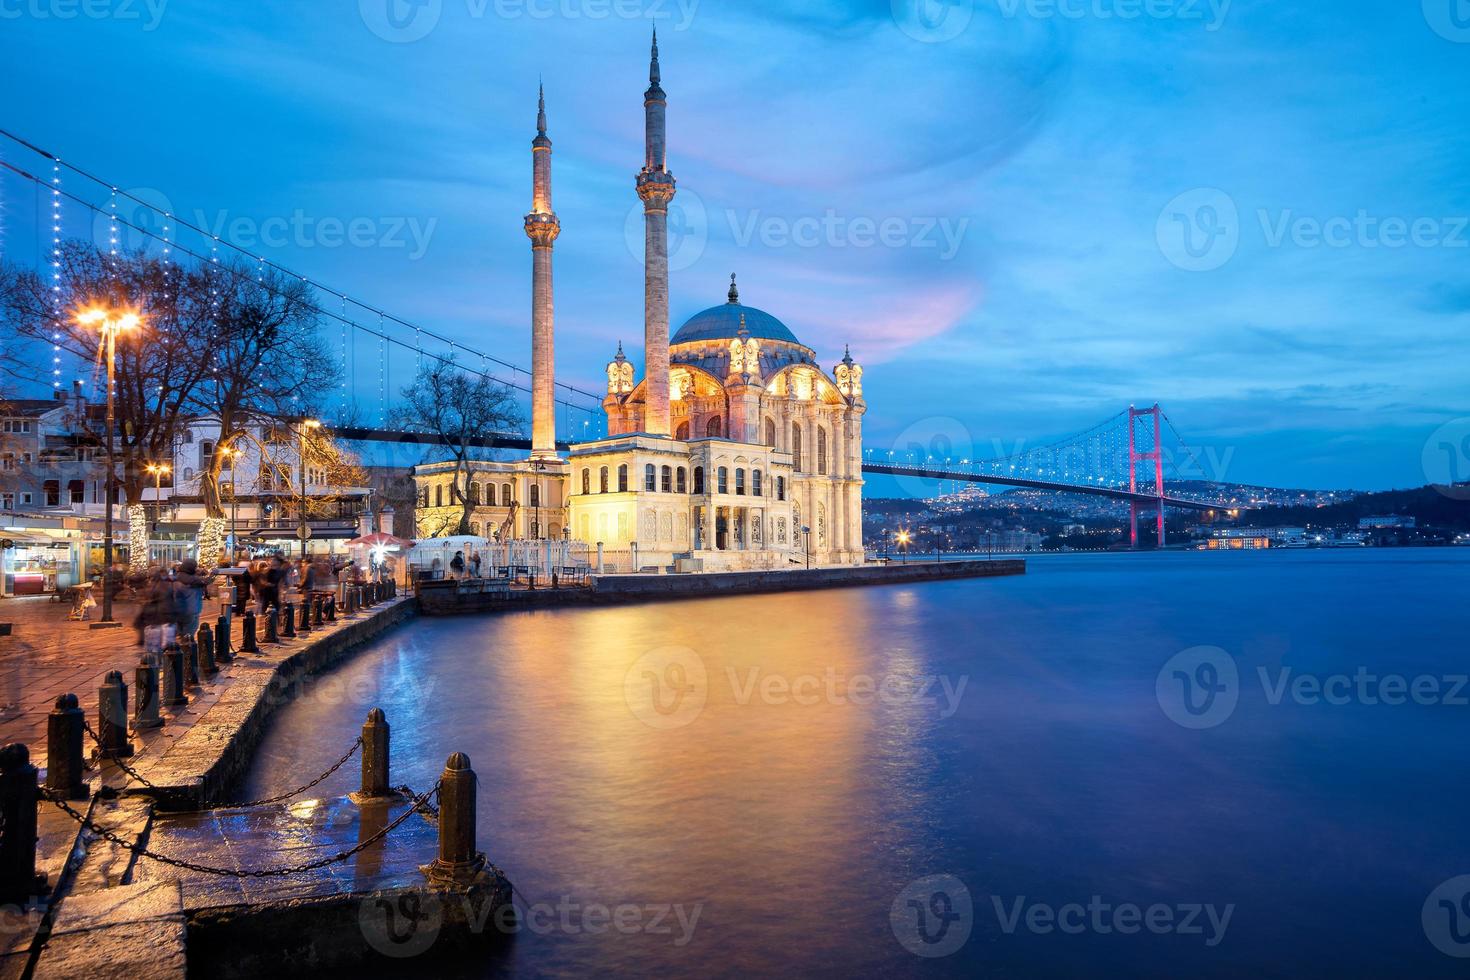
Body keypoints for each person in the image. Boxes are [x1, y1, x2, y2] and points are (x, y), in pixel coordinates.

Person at [173, 558, 208, 641]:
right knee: (188, 636)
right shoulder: (194, 581)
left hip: (177, 611)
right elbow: (206, 581)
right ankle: (185, 652)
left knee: (179, 634)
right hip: (191, 611)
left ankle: (176, 651)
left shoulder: (176, 578)